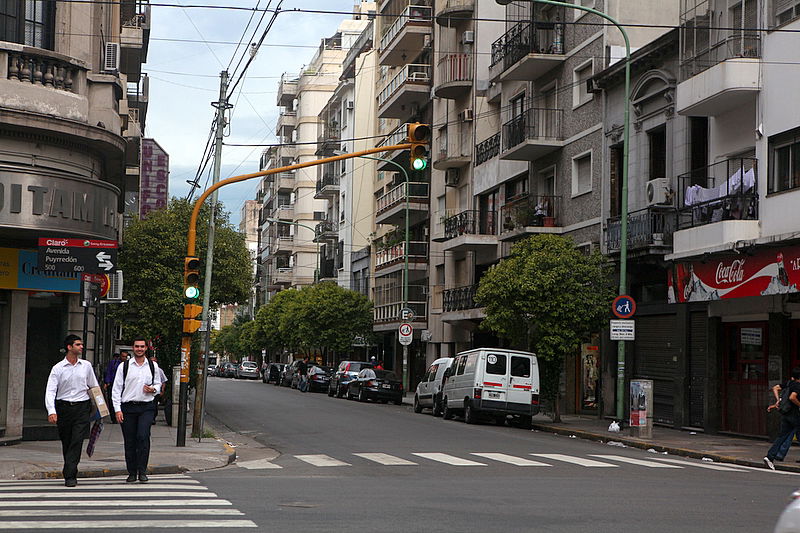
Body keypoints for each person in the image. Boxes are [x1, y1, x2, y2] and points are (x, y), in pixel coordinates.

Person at [44, 334, 100, 487]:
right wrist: (51, 410)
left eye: (81, 344)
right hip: (64, 408)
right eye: (78, 344)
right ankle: (69, 468)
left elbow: (94, 387)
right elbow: (50, 390)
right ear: (69, 347)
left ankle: (70, 475)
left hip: (82, 407)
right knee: (67, 441)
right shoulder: (58, 368)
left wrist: (101, 407)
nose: (81, 347)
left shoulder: (86, 366)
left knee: (77, 440)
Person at [112, 337, 163, 483]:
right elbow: (116, 389)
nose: (139, 349)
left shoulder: (152, 366)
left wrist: (153, 389)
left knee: (142, 436)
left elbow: (158, 384)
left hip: (146, 407)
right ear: (132, 348)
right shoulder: (125, 366)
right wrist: (117, 410)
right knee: (130, 440)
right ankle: (132, 472)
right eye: (136, 346)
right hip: (128, 407)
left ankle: (142, 470)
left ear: (146, 348)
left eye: (142, 346)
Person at [764, 367, 800, 470]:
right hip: (795, 415)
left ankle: (769, 457)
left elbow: (775, 388)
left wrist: (777, 401)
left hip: (786, 414)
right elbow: (792, 397)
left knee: (782, 436)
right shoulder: (798, 386)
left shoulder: (788, 383)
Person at [103, 351, 128, 424]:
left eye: (126, 357)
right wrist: (107, 382)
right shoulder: (113, 363)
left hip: (123, 385)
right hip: (112, 384)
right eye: (123, 356)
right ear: (120, 356)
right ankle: (113, 418)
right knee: (111, 401)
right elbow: (109, 372)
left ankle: (121, 416)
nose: (124, 358)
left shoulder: (127, 364)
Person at [149, 354, 168, 425]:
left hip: (155, 392)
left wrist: (162, 390)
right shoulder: (145, 369)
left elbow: (163, 381)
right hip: (146, 392)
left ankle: (153, 418)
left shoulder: (159, 370)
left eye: (155, 361)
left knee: (154, 406)